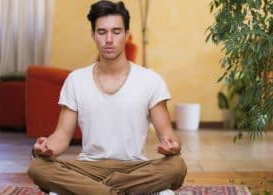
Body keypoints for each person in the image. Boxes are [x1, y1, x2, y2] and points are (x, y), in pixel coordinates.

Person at [27, 1, 187, 194]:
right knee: (38, 167)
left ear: (127, 35)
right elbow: (62, 135)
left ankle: (96, 192)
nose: (109, 39)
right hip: (88, 169)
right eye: (102, 32)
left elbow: (168, 136)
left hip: (134, 169)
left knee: (176, 166)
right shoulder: (76, 80)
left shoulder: (150, 80)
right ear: (93, 35)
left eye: (116, 31)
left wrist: (173, 147)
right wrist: (46, 147)